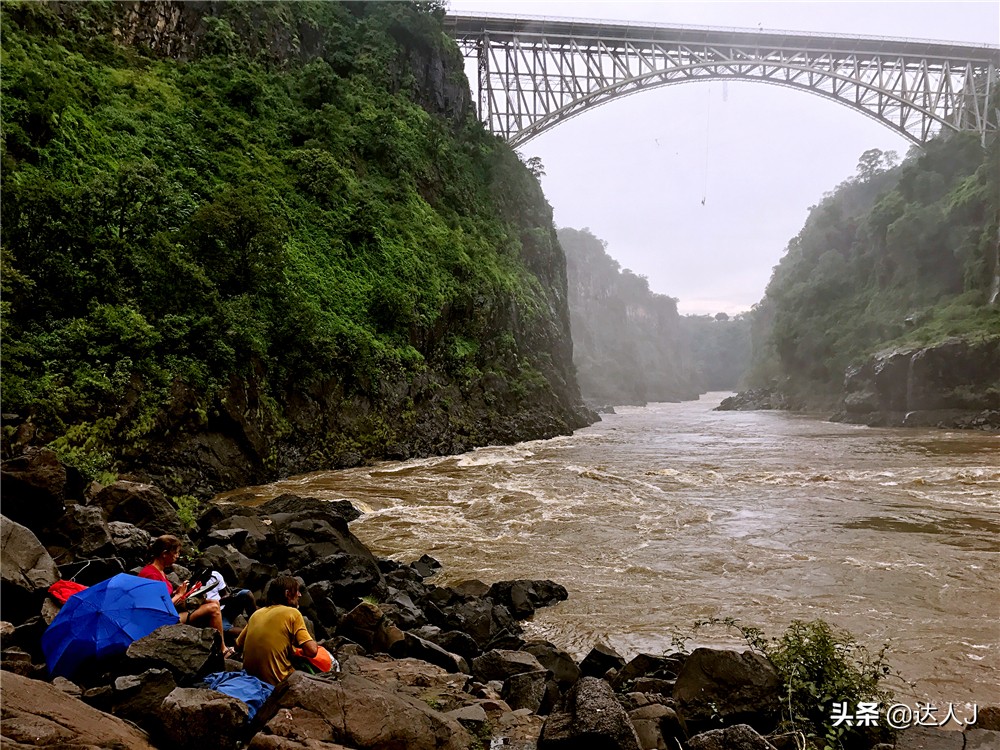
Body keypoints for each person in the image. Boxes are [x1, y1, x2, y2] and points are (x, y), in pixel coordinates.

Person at [138, 535, 235, 657]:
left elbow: (164, 597)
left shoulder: (159, 571)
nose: (177, 556)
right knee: (213, 609)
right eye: (175, 553)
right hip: (161, 620)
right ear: (164, 553)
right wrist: (179, 595)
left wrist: (179, 593)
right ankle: (222, 650)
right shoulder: (151, 575)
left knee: (214, 602)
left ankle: (217, 644)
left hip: (170, 612)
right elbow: (159, 607)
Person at [235, 575, 318, 686]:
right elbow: (312, 651)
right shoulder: (293, 613)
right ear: (287, 593)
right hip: (278, 683)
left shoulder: (256, 614)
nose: (300, 595)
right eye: (297, 591)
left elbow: (238, 646)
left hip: (251, 679)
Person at [197, 569, 258, 643]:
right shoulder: (194, 587)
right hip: (213, 616)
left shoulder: (214, 576)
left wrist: (228, 597)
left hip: (225, 608)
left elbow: (224, 593)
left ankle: (257, 623)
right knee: (230, 631)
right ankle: (254, 634)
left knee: (247, 594)